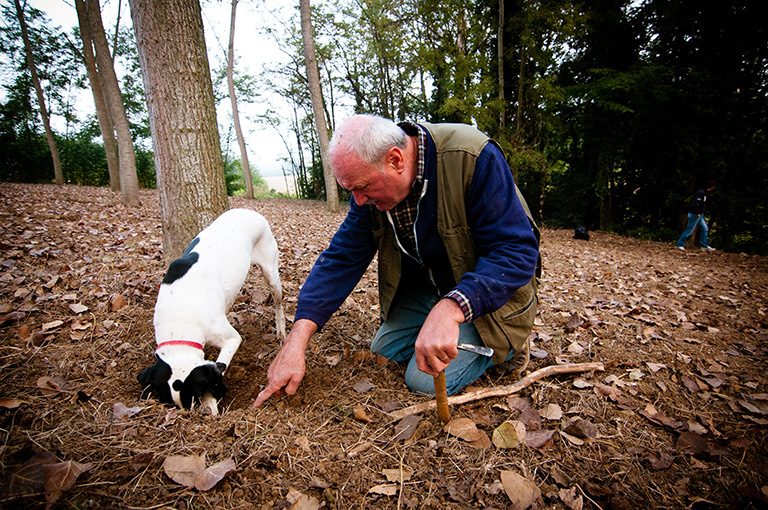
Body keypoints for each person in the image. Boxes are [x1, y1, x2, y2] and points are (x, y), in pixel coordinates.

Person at [252, 114, 540, 407]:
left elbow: (516, 251)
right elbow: (342, 258)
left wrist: (452, 309)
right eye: (352, 191)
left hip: (491, 296)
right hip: (432, 287)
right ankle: (440, 321)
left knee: (423, 381)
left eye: (362, 188)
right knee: (384, 350)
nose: (359, 201)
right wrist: (296, 342)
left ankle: (509, 348)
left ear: (395, 160)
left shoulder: (472, 158)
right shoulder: (371, 187)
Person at [676, 181, 716, 251]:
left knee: (705, 228)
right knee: (689, 230)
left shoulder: (704, 193)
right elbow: (695, 203)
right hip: (695, 214)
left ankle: (704, 245)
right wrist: (697, 212)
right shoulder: (700, 193)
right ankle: (679, 244)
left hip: (700, 215)